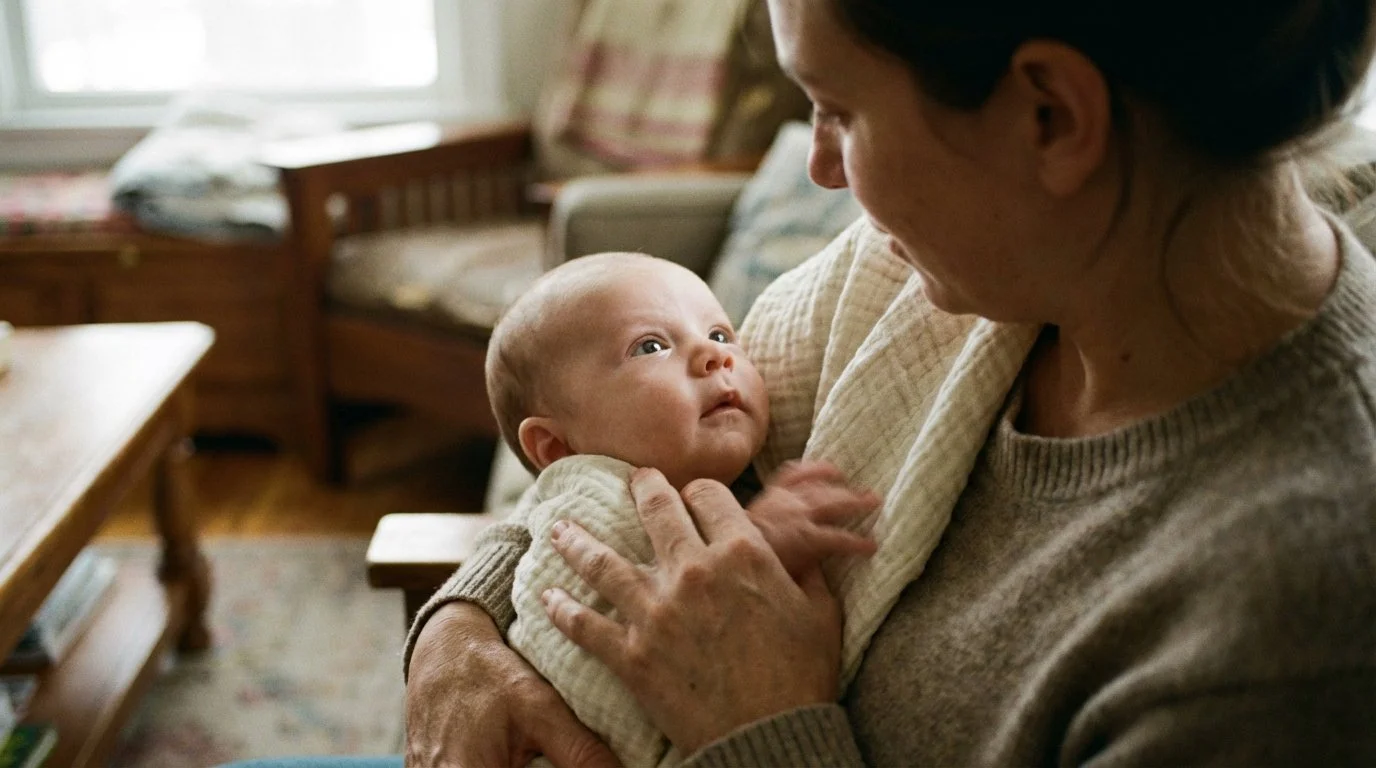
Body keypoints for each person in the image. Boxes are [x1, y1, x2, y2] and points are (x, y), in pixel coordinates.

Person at [237, 0, 1376, 764]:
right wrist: (464, 625)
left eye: (835, 108)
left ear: (1050, 116)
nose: (820, 168)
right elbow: (604, 465)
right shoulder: (935, 271)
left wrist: (766, 729)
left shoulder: (1274, 639)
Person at [479, 250, 879, 766]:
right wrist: (756, 542)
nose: (716, 357)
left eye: (720, 334)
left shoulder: (741, 476)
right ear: (558, 449)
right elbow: (577, 597)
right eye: (651, 346)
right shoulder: (586, 497)